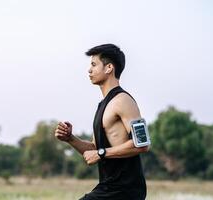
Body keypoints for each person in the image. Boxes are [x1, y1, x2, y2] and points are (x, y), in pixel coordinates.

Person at [54, 44, 149, 200]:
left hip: (124, 190)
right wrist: (70, 138)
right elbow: (94, 148)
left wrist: (101, 153)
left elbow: (143, 143)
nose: (89, 70)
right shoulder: (104, 105)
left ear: (109, 68)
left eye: (93, 64)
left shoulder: (123, 100)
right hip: (109, 187)